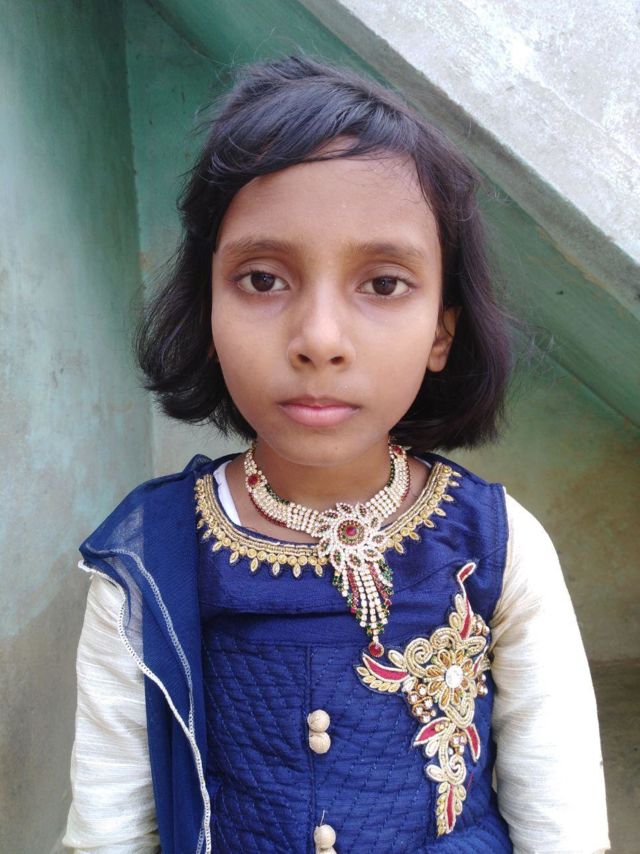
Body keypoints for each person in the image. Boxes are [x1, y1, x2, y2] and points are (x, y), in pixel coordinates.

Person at [63, 55, 610, 853]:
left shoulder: (500, 545)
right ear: (207, 310)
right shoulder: (149, 560)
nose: (319, 339)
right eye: (262, 279)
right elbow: (109, 827)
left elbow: (562, 819)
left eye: (383, 284)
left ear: (442, 332)